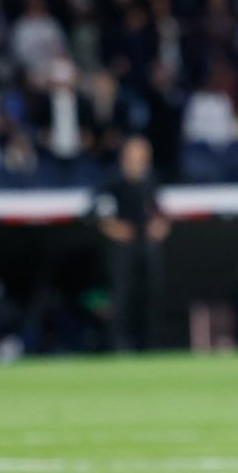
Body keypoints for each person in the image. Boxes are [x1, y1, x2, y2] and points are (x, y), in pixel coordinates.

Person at [89, 136, 170, 351]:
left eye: (144, 155)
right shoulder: (112, 180)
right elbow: (94, 210)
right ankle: (119, 346)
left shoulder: (151, 180)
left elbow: (160, 210)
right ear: (126, 155)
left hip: (147, 246)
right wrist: (111, 227)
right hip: (122, 248)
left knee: (152, 293)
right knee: (120, 296)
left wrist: (160, 224)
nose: (141, 159)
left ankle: (151, 345)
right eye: (136, 154)